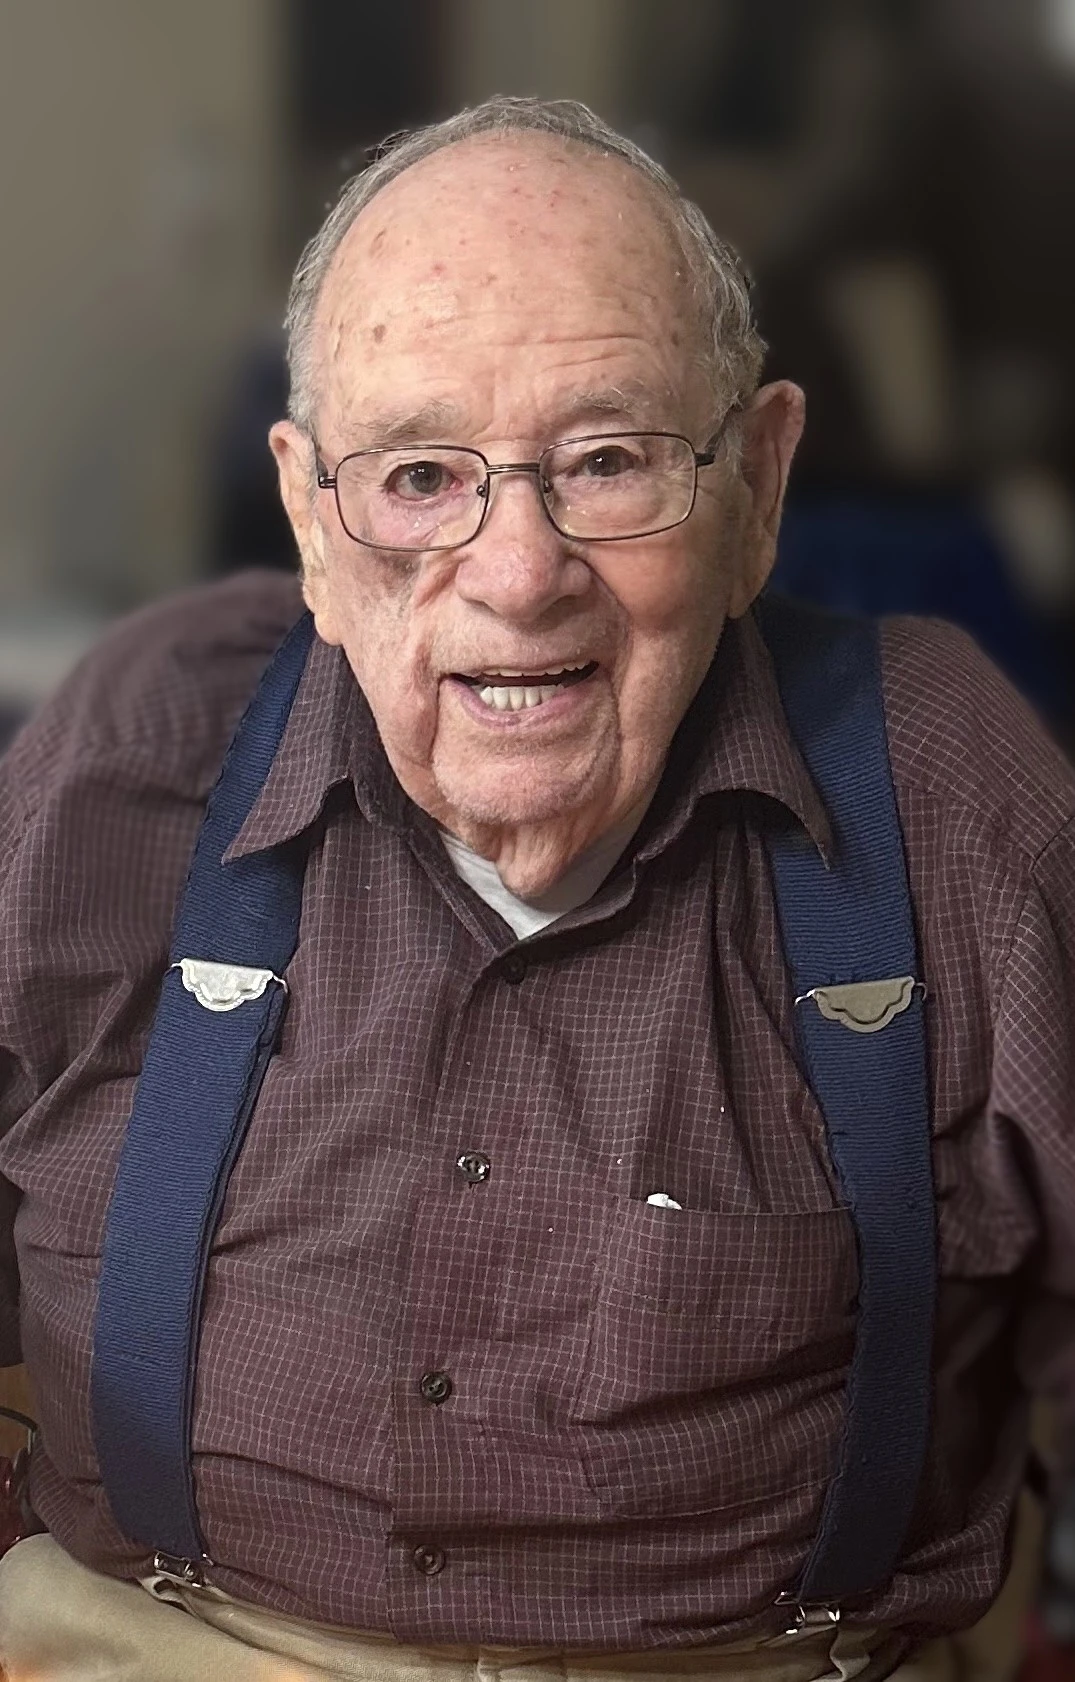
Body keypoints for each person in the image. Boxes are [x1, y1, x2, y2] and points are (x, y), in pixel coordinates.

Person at [0, 96, 1072, 1682]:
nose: (515, 573)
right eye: (419, 476)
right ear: (308, 520)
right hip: (169, 1644)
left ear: (758, 483)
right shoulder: (129, 759)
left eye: (608, 460)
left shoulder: (946, 791)